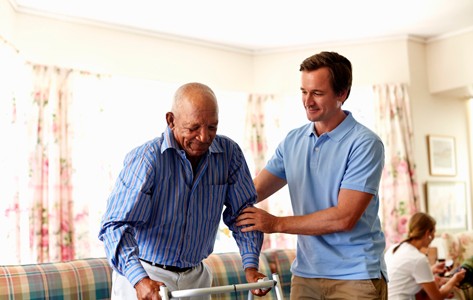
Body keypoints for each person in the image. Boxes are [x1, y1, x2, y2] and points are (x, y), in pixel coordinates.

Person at [236, 51, 387, 299]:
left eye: (317, 93)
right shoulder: (293, 140)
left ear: (342, 94)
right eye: (304, 92)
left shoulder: (365, 143)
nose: (308, 101)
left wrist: (275, 223)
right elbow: (252, 191)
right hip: (306, 274)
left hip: (356, 275)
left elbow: (344, 218)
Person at [98, 82, 269, 300]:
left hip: (196, 275)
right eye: (193, 128)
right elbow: (115, 225)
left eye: (212, 127)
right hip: (146, 273)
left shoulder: (229, 154)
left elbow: (243, 214)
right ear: (171, 120)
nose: (204, 137)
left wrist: (251, 266)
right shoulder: (147, 160)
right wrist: (139, 279)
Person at [384, 212, 466, 300]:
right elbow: (437, 297)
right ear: (428, 234)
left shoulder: (394, 248)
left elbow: (404, 276)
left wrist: (431, 270)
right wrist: (454, 279)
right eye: (434, 232)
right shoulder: (418, 259)